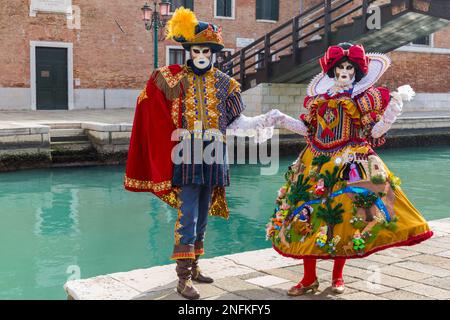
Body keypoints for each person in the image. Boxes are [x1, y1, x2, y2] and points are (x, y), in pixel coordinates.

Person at [124, 7, 276, 300]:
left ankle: (195, 267)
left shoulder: (224, 83)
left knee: (203, 212)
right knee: (189, 214)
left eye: (206, 50)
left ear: (213, 52)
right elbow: (149, 100)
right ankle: (182, 279)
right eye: (196, 50)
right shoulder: (173, 79)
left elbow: (236, 122)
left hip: (215, 154)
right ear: (189, 52)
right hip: (186, 154)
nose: (202, 54)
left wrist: (264, 122)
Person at [266, 42, 433, 296]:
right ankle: (309, 278)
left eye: (349, 67)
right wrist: (282, 119)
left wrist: (392, 112)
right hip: (315, 162)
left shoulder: (364, 99)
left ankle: (338, 277)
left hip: (351, 162)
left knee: (345, 219)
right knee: (307, 218)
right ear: (333, 71)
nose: (344, 71)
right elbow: (308, 131)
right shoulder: (318, 100)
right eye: (340, 67)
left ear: (356, 71)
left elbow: (375, 132)